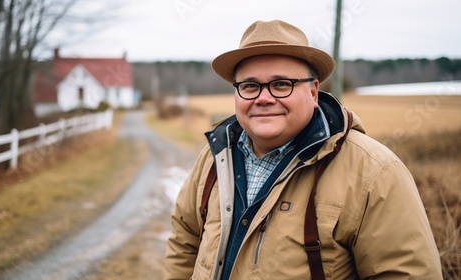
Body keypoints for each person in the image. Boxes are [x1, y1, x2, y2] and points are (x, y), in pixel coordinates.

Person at [164, 20, 442, 280]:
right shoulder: (215, 156)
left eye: (281, 84)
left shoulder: (374, 172)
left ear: (313, 91)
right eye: (250, 86)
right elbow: (185, 237)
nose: (263, 98)